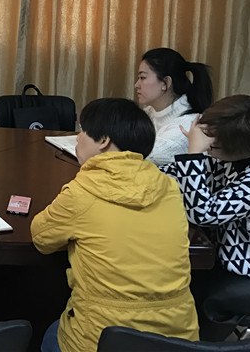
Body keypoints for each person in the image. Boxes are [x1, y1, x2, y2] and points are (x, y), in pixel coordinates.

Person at [31, 98, 198, 352]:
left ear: (103, 140)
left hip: (104, 341)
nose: (78, 138)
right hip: (177, 342)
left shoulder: (82, 192)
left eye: (83, 131)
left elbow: (41, 237)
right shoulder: (170, 187)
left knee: (49, 335)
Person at [166, 95, 250, 340]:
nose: (208, 149)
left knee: (198, 294)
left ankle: (192, 343)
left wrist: (194, 153)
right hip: (227, 255)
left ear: (238, 148)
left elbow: (204, 213)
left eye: (212, 147)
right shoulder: (236, 157)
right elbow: (177, 175)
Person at [135, 47, 213, 166]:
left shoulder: (186, 126)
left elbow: (134, 159)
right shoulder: (148, 112)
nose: (137, 85)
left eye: (143, 78)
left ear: (166, 83)